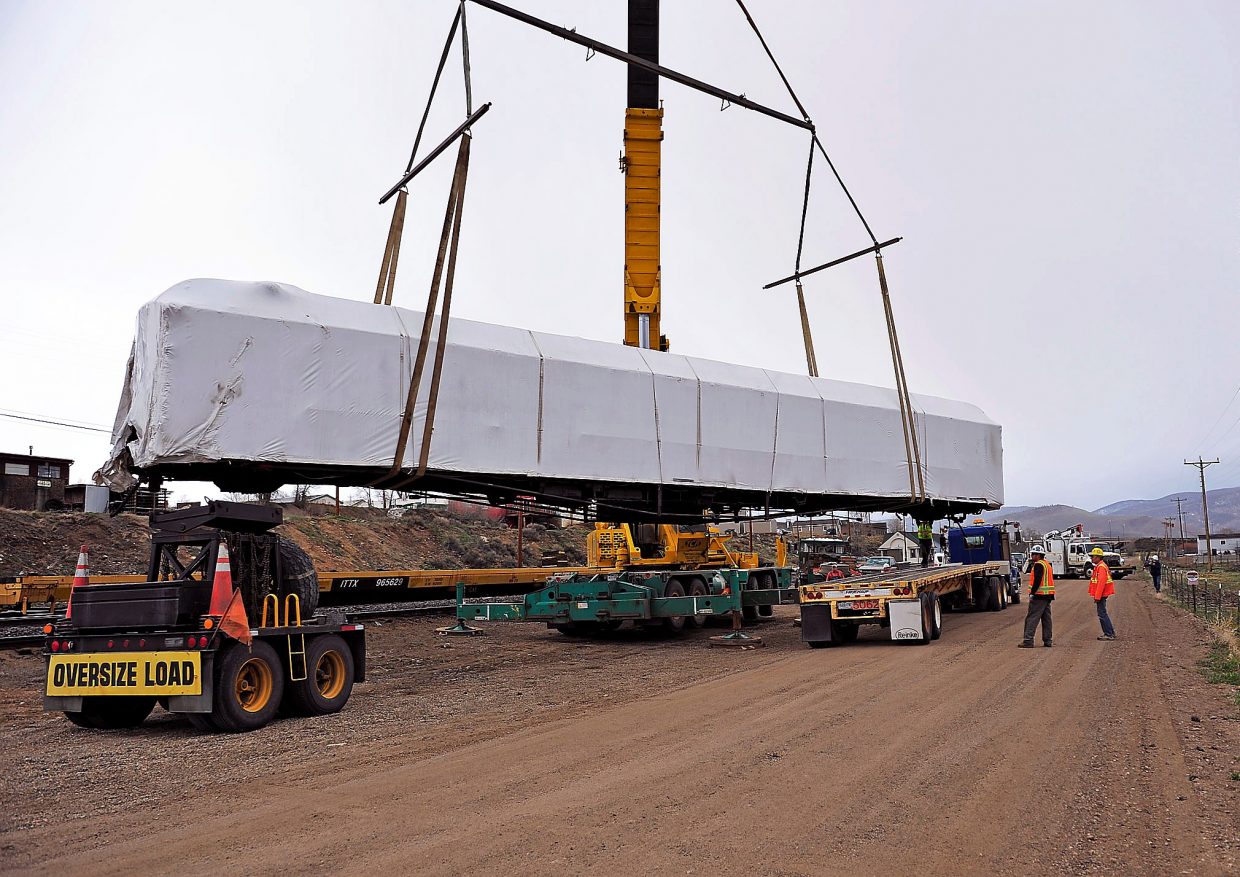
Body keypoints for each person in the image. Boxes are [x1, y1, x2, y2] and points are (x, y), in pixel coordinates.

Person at [1019, 544, 1054, 648]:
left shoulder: (1038, 565)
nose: (1032, 556)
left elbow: (1037, 580)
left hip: (1039, 596)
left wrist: (1032, 593)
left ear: (1038, 555)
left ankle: (1028, 640)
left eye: (1034, 554)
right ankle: (1048, 640)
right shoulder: (1047, 564)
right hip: (1047, 596)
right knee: (1046, 619)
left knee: (1032, 618)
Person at [1088, 547, 1117, 640]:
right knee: (1103, 613)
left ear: (1098, 557)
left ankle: (1108, 634)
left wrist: (1097, 596)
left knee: (1102, 614)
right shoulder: (1101, 566)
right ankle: (1110, 632)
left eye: (1093, 556)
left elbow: (1101, 583)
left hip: (1101, 595)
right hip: (1102, 594)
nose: (1092, 558)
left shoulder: (1101, 567)